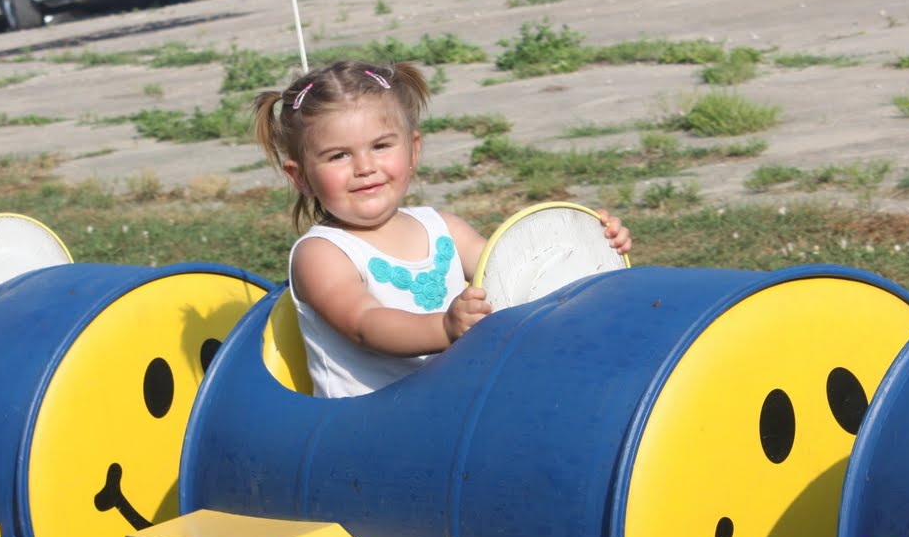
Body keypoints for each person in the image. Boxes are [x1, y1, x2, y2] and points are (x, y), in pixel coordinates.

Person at [252, 60, 632, 399]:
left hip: (455, 406)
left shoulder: (444, 229)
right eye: (339, 155)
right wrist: (444, 327)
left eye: (381, 146)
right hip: (368, 427)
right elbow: (365, 324)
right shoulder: (322, 253)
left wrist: (590, 247)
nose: (365, 167)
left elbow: (519, 272)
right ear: (300, 177)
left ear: (413, 150)